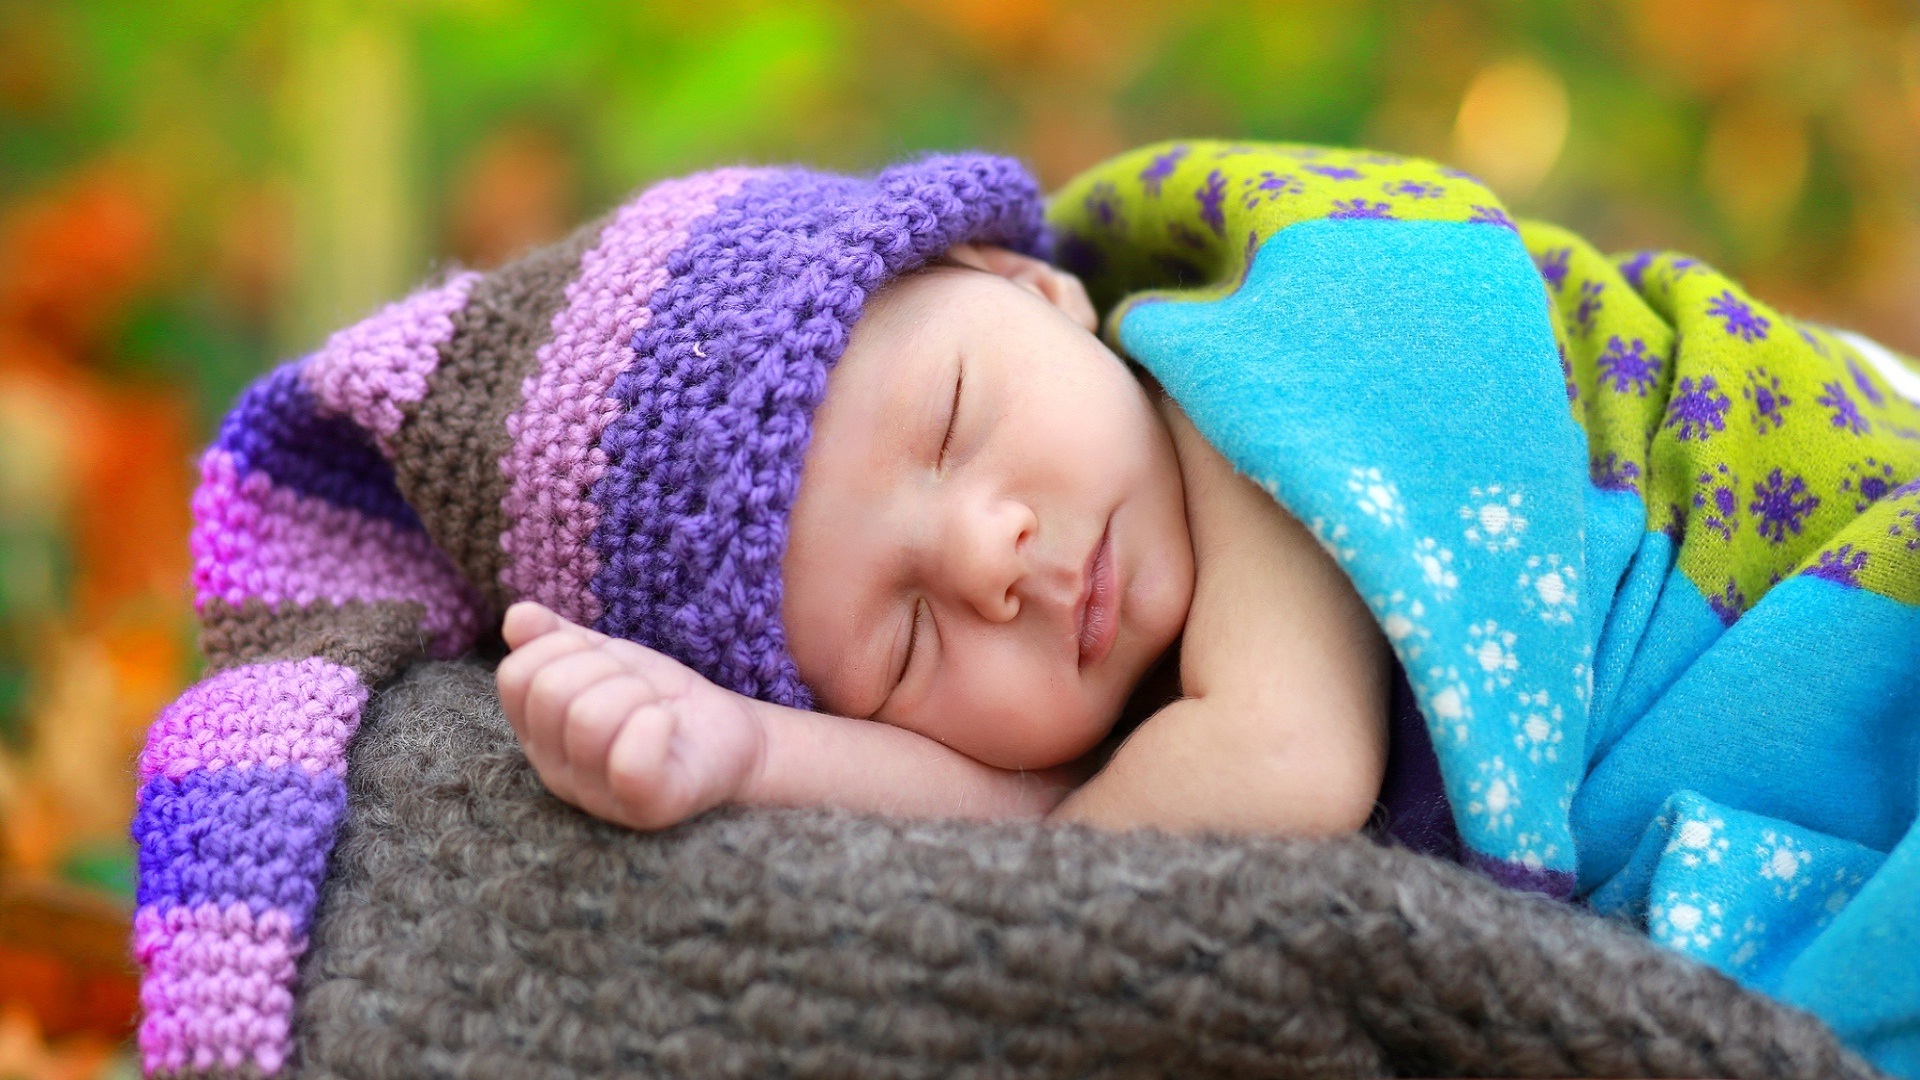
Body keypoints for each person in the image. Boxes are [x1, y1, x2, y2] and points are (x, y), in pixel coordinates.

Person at [494, 241, 1396, 839]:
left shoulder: (1239, 392)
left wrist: (1054, 825)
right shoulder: (1106, 727)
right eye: (906, 649)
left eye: (952, 424)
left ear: (1029, 283)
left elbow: (1281, 762)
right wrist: (750, 746)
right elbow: (1018, 793)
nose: (984, 561)